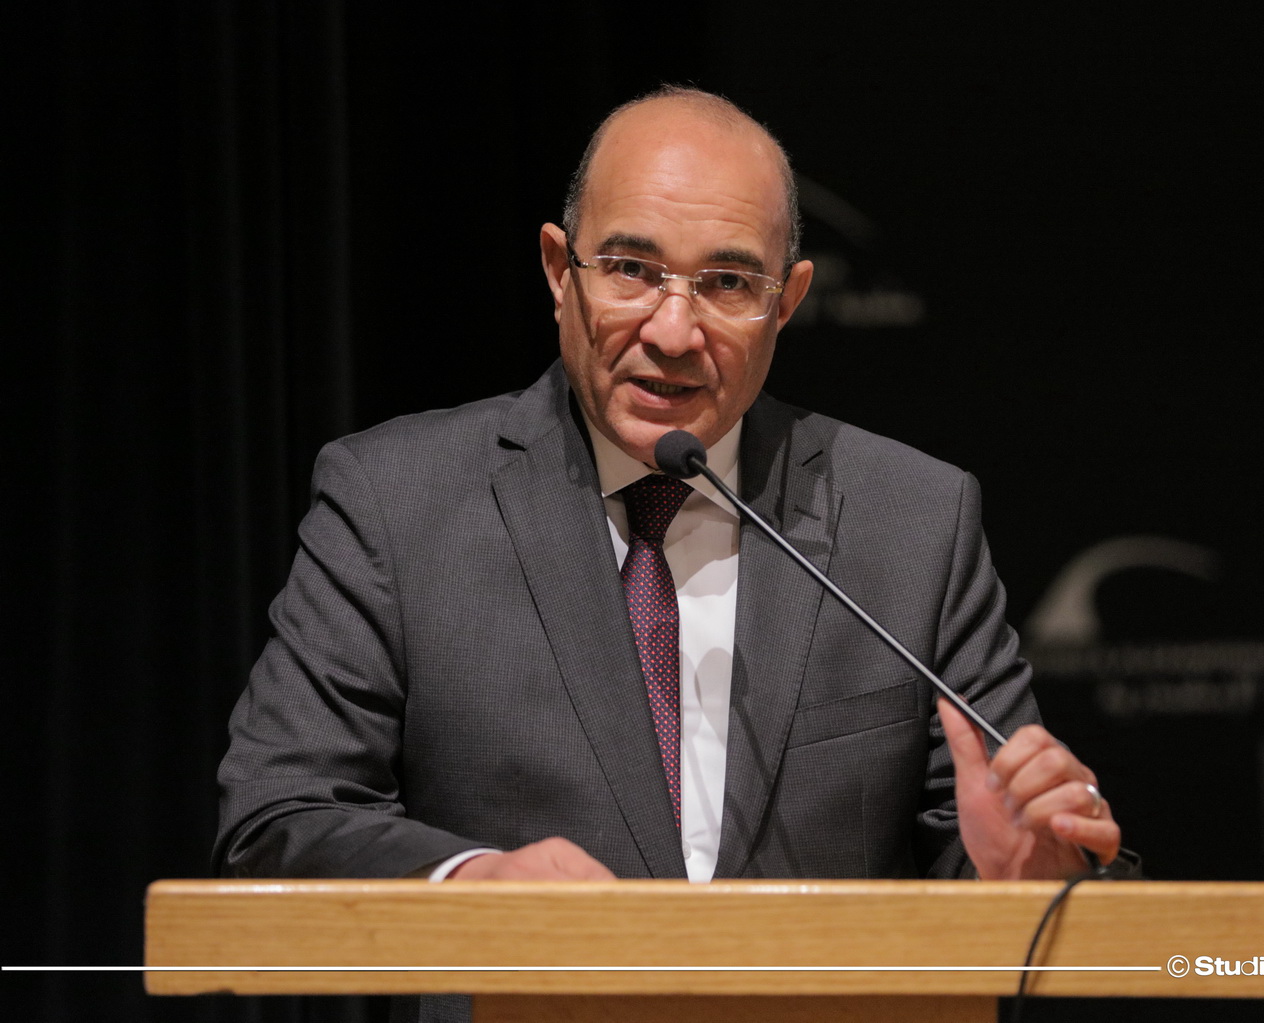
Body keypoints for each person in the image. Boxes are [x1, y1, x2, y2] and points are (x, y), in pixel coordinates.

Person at [216, 87, 1123, 894]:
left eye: (727, 282)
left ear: (786, 301)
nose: (674, 331)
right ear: (558, 271)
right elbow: (278, 817)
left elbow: (1002, 849)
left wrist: (1032, 877)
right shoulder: (398, 502)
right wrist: (472, 880)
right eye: (631, 270)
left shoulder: (912, 521)